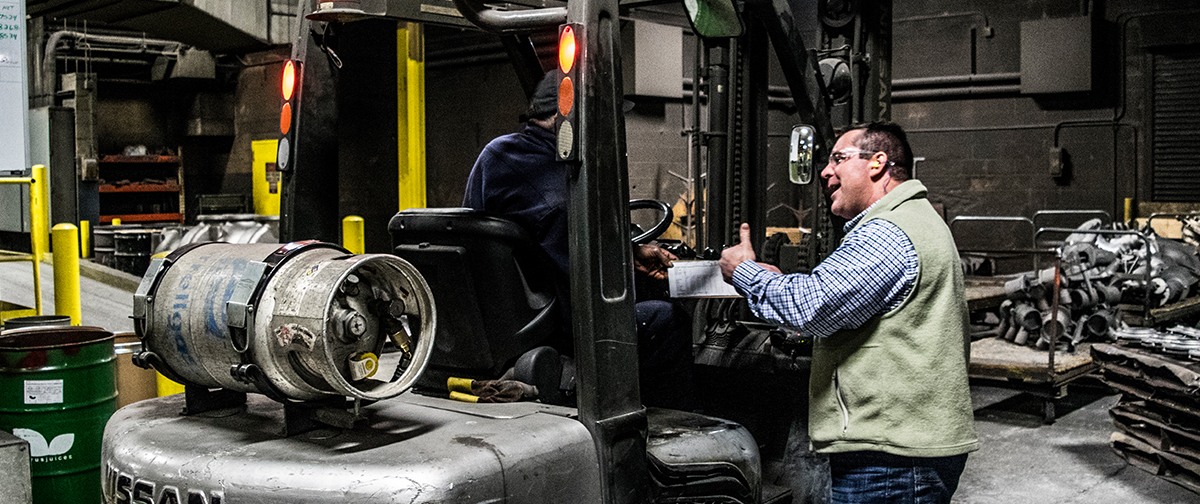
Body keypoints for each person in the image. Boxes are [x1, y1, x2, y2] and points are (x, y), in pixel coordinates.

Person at [717, 122, 978, 503]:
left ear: (878, 163)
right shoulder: (911, 220)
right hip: (898, 447)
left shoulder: (888, 230)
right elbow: (834, 298)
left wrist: (744, 272)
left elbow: (812, 308)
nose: (825, 171)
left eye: (838, 158)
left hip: (891, 456)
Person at [463, 72, 696, 411]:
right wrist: (641, 283)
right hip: (558, 332)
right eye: (601, 118)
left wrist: (630, 252)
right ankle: (670, 429)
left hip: (506, 321)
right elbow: (590, 295)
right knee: (667, 320)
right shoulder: (565, 191)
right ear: (568, 117)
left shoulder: (496, 154)